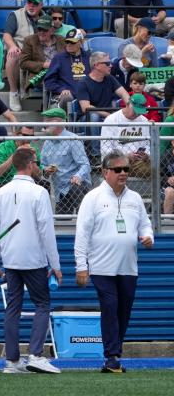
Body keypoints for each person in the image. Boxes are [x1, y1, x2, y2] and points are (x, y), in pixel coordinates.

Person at [74, 151, 154, 373]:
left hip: (128, 267)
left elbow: (145, 225)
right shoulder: (93, 198)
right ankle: (111, 356)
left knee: (123, 312)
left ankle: (114, 353)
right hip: (101, 267)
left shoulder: (135, 198)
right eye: (118, 169)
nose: (123, 173)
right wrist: (81, 266)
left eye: (126, 169)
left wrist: (149, 237)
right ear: (105, 172)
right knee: (110, 308)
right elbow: (82, 233)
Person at [0, 147, 63, 374]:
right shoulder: (39, 192)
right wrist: (56, 265)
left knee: (13, 308)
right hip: (34, 259)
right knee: (42, 304)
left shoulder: (1, 191)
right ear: (30, 164)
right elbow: (47, 231)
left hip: (11, 259)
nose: (37, 166)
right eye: (36, 163)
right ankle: (36, 355)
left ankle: (12, 361)